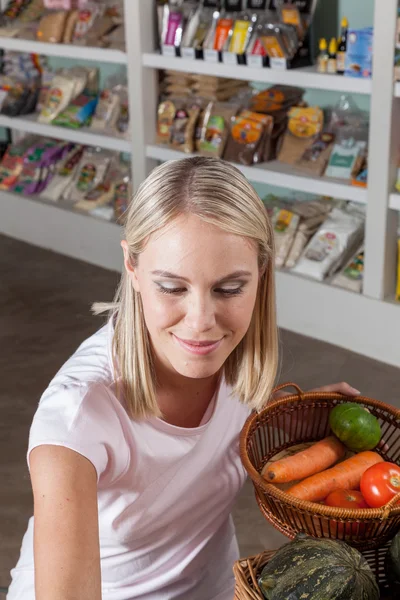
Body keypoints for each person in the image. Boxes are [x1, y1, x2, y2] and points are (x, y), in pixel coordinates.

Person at [7, 157, 359, 600]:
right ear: (132, 268)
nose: (201, 323)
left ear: (262, 275)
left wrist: (279, 418)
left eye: (229, 288)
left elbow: (199, 448)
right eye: (172, 288)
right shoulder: (75, 418)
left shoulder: (233, 358)